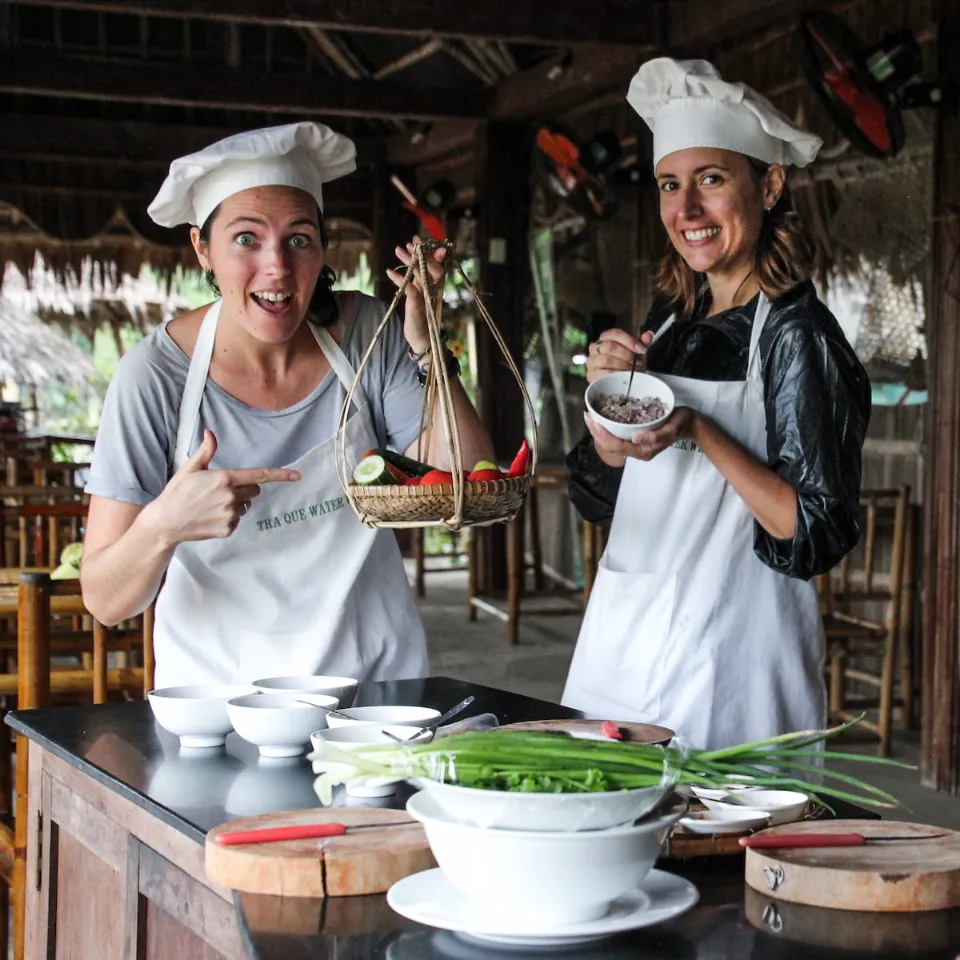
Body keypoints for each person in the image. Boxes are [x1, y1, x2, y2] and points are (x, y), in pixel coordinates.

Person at [80, 122, 495, 688]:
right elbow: (105, 600)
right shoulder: (154, 377)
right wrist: (163, 527)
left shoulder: (365, 333)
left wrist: (425, 343)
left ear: (322, 247)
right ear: (203, 248)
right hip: (218, 702)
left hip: (376, 690)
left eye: (299, 238)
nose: (276, 266)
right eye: (246, 239)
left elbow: (466, 481)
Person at [562, 59, 870, 749]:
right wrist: (610, 430)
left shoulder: (797, 333)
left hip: (732, 660)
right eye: (672, 185)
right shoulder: (670, 317)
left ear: (769, 183)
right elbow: (596, 492)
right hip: (624, 643)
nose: (687, 210)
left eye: (711, 180)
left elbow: (814, 530)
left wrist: (698, 427)